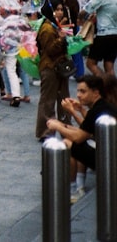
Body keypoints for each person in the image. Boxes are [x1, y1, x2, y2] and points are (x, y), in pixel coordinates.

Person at [46, 74, 117, 202]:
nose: (78, 95)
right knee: (74, 141)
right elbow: (87, 129)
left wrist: (58, 126)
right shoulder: (102, 106)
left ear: (95, 93)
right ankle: (79, 187)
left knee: (68, 143)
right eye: (78, 91)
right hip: (108, 157)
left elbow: (79, 136)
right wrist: (75, 113)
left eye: (83, 91)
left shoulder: (99, 110)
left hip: (109, 162)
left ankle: (74, 189)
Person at [36, 5, 71, 141]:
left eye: (62, 9)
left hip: (59, 67)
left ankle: (66, 129)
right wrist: (61, 38)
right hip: (50, 67)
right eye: (57, 9)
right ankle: (46, 131)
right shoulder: (47, 28)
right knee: (48, 100)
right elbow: (50, 50)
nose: (60, 12)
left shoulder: (54, 25)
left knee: (64, 99)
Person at [81, 0, 117, 76]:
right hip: (116, 34)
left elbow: (86, 10)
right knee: (109, 65)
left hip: (104, 34)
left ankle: (105, 82)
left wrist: (79, 17)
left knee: (91, 63)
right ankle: (112, 90)